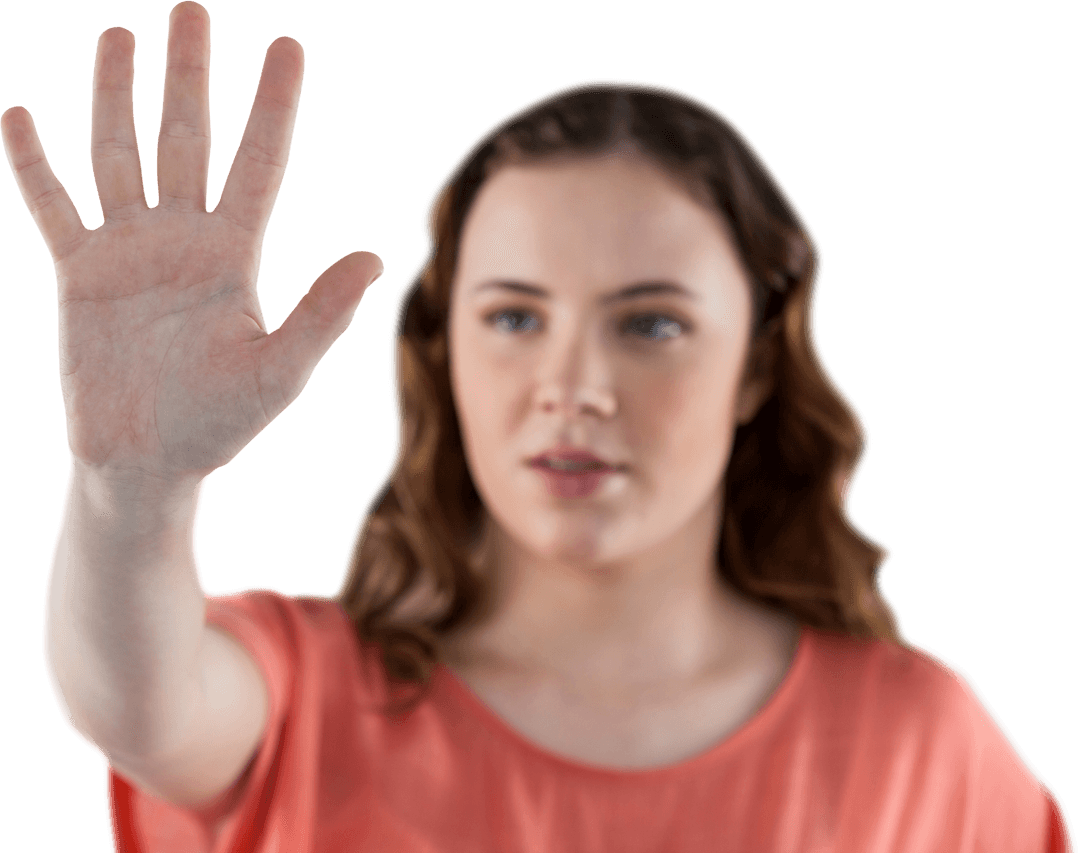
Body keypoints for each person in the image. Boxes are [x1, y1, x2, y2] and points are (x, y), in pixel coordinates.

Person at [4, 3, 1073, 851]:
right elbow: (135, 706)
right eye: (514, 317)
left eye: (650, 323)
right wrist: (129, 485)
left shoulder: (923, 742)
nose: (574, 386)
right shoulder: (304, 694)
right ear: (448, 355)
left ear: (756, 361)